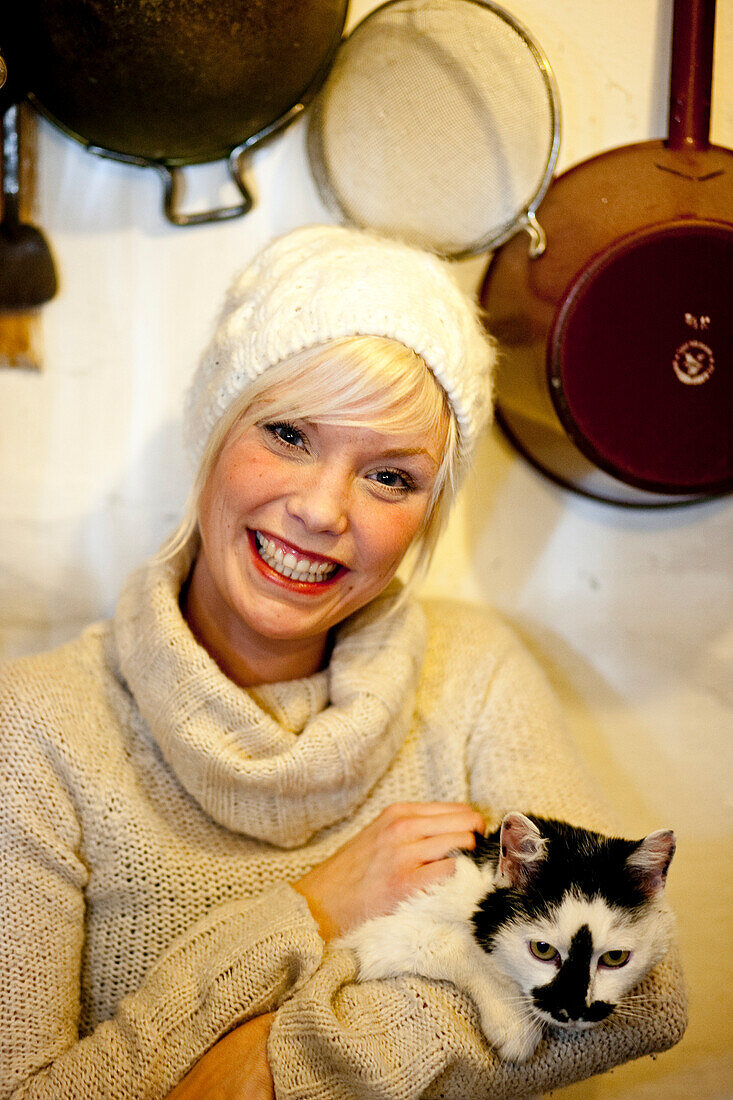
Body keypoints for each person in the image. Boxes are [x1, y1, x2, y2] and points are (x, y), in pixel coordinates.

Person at [0, 225, 686, 1100]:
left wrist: (270, 1071)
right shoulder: (35, 725)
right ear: (214, 429)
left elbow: (646, 995)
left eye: (390, 478)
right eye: (288, 433)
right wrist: (311, 911)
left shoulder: (471, 675)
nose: (323, 510)